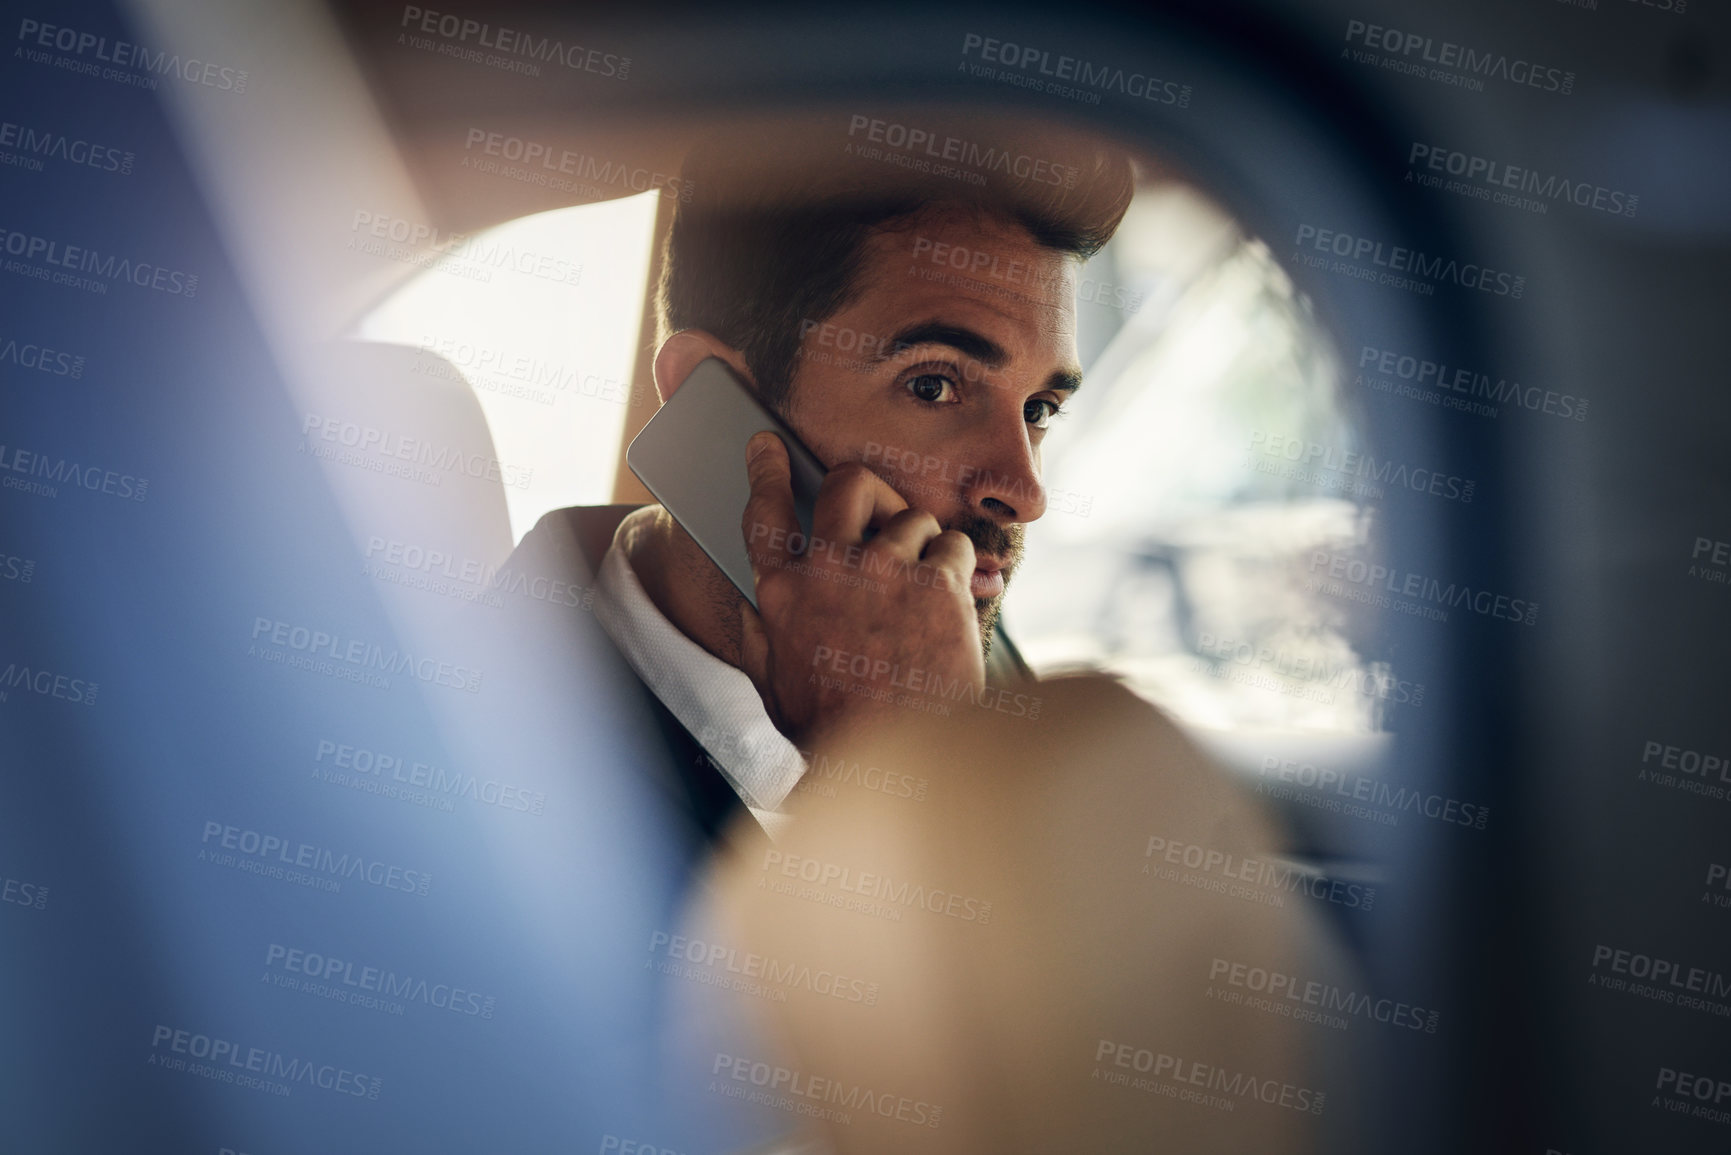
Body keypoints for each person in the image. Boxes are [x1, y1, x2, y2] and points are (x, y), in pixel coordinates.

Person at [501, 116, 1136, 842]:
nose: (1023, 492)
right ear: (712, 399)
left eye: (1039, 408)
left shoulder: (961, 646)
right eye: (933, 386)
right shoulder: (494, 768)